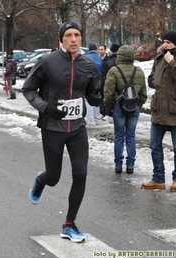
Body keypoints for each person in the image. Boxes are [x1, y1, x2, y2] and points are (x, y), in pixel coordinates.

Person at [22, 21, 101, 243]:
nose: (74, 39)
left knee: (81, 174)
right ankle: (41, 180)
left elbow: (93, 91)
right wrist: (46, 107)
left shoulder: (88, 64)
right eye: (69, 35)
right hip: (52, 127)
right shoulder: (48, 62)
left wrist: (97, 98)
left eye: (77, 35)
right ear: (61, 39)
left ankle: (69, 223)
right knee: (54, 177)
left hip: (77, 128)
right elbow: (28, 88)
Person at [103, 45, 147, 174]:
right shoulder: (138, 71)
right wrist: (139, 104)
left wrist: (109, 105)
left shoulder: (114, 71)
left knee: (119, 136)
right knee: (131, 136)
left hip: (119, 107)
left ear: (119, 56)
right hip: (134, 107)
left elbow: (108, 91)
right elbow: (143, 93)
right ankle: (130, 165)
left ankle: (118, 165)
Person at [141, 31, 176, 192]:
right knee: (154, 145)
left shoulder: (171, 59)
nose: (165, 44)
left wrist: (172, 63)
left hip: (174, 109)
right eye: (164, 42)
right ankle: (158, 178)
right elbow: (153, 79)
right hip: (158, 108)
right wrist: (152, 79)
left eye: (168, 42)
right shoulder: (159, 57)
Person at [85, 43, 103, 127]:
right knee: (96, 100)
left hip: (88, 82)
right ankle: (96, 119)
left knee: (89, 102)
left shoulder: (86, 58)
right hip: (98, 82)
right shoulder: (100, 58)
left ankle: (91, 121)